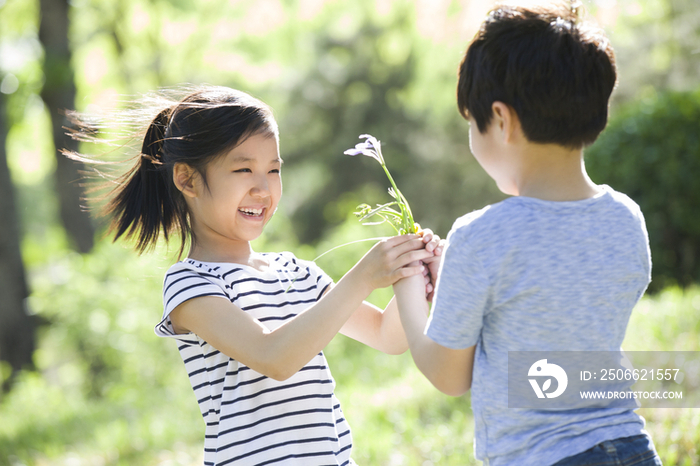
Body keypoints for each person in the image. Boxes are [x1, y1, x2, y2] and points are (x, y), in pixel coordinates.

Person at [67, 85, 441, 465]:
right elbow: (274, 356)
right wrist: (363, 276)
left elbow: (387, 336)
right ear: (188, 180)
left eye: (273, 170)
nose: (263, 188)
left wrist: (416, 273)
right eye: (243, 169)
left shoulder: (295, 271)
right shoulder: (191, 284)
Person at [392, 2, 663, 465]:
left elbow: (448, 374)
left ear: (500, 119)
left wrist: (407, 287)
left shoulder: (482, 235)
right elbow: (555, 314)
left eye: (471, 124)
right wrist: (462, 279)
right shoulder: (626, 217)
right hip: (632, 448)